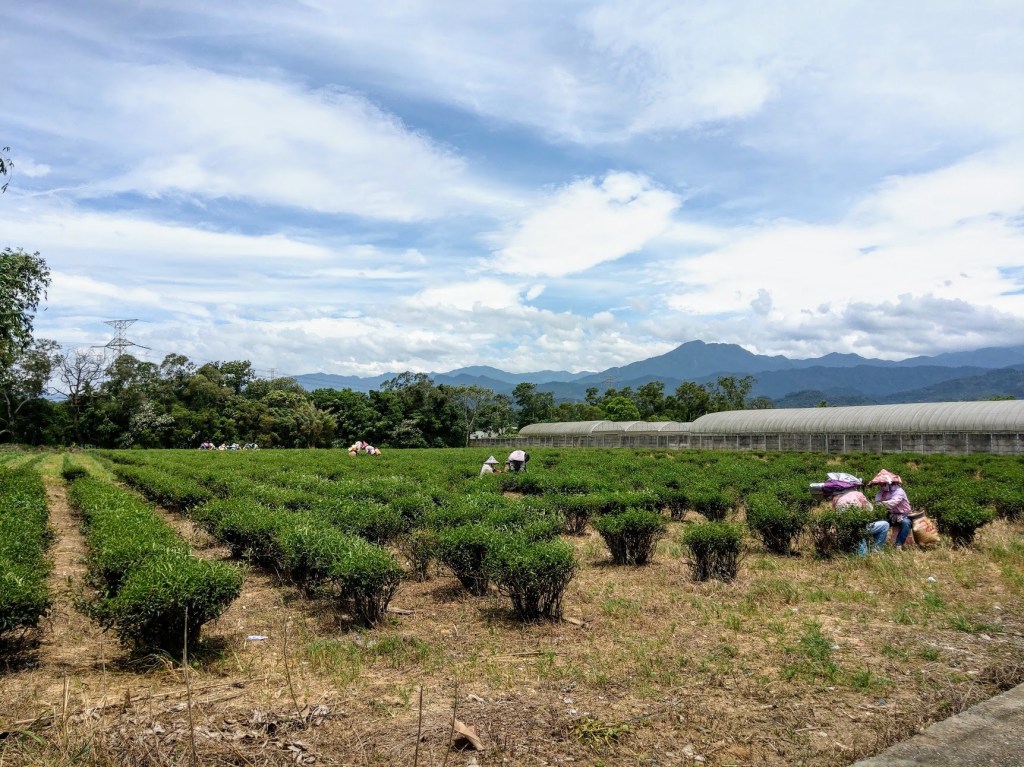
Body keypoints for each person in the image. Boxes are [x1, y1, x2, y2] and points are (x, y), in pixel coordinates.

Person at [830, 479, 890, 555]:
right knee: (884, 525)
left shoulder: (836, 498)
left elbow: (835, 513)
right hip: (858, 527)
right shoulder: (858, 494)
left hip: (843, 528)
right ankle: (876, 550)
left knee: (859, 533)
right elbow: (869, 510)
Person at [869, 470, 913, 550]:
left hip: (903, 515)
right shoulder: (881, 492)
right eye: (880, 484)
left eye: (882, 484)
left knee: (906, 523)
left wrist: (879, 504)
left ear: (889, 483)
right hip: (891, 515)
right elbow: (876, 500)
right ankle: (877, 546)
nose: (880, 485)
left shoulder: (899, 491)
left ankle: (899, 545)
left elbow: (893, 502)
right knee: (881, 523)